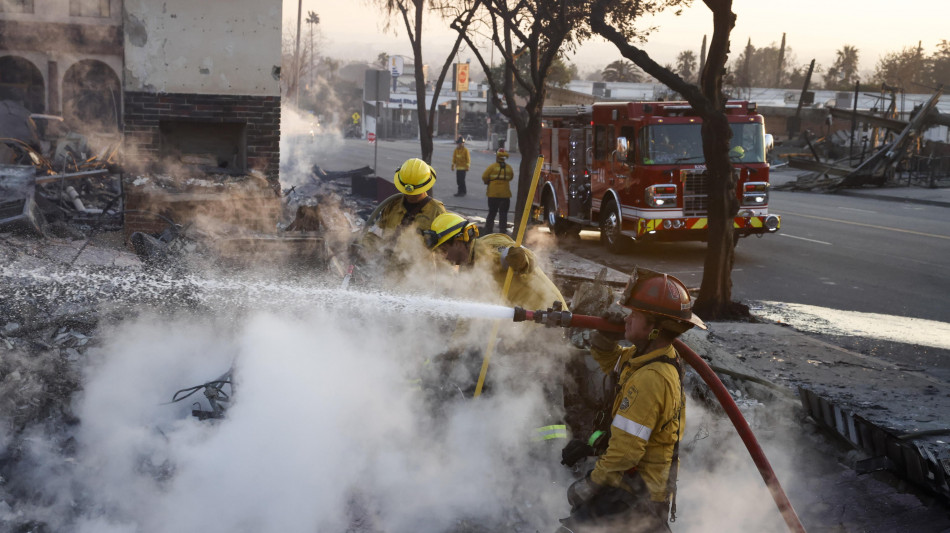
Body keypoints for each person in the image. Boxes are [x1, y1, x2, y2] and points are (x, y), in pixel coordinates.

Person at [558, 267, 706, 532]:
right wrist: (606, 337)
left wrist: (592, 484)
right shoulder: (644, 359)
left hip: (635, 498)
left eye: (634, 315)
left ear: (654, 329)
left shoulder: (651, 378)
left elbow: (626, 452)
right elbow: (610, 363)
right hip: (632, 488)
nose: (626, 320)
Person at [424, 212, 565, 311]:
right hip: (521, 325)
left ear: (459, 241)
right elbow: (469, 314)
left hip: (549, 314)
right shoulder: (467, 271)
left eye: (444, 249)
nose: (443, 257)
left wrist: (521, 259)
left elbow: (529, 259)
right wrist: (455, 348)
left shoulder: (492, 245)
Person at [481, 148, 514, 235]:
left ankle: (488, 231)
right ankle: (502, 231)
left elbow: (484, 176)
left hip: (493, 194)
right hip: (505, 195)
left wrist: (488, 182)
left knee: (492, 213)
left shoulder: (492, 167)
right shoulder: (509, 168)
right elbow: (511, 177)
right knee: (503, 214)